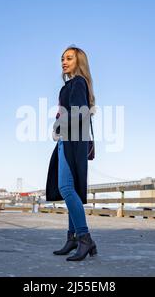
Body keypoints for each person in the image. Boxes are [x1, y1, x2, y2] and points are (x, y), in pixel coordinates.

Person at [46, 46, 97, 261]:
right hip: (69, 139)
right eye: (62, 59)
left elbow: (80, 112)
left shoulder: (77, 83)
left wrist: (59, 126)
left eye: (69, 58)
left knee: (66, 187)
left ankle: (84, 238)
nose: (64, 62)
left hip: (71, 139)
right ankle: (73, 237)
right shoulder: (68, 86)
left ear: (79, 61)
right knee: (70, 189)